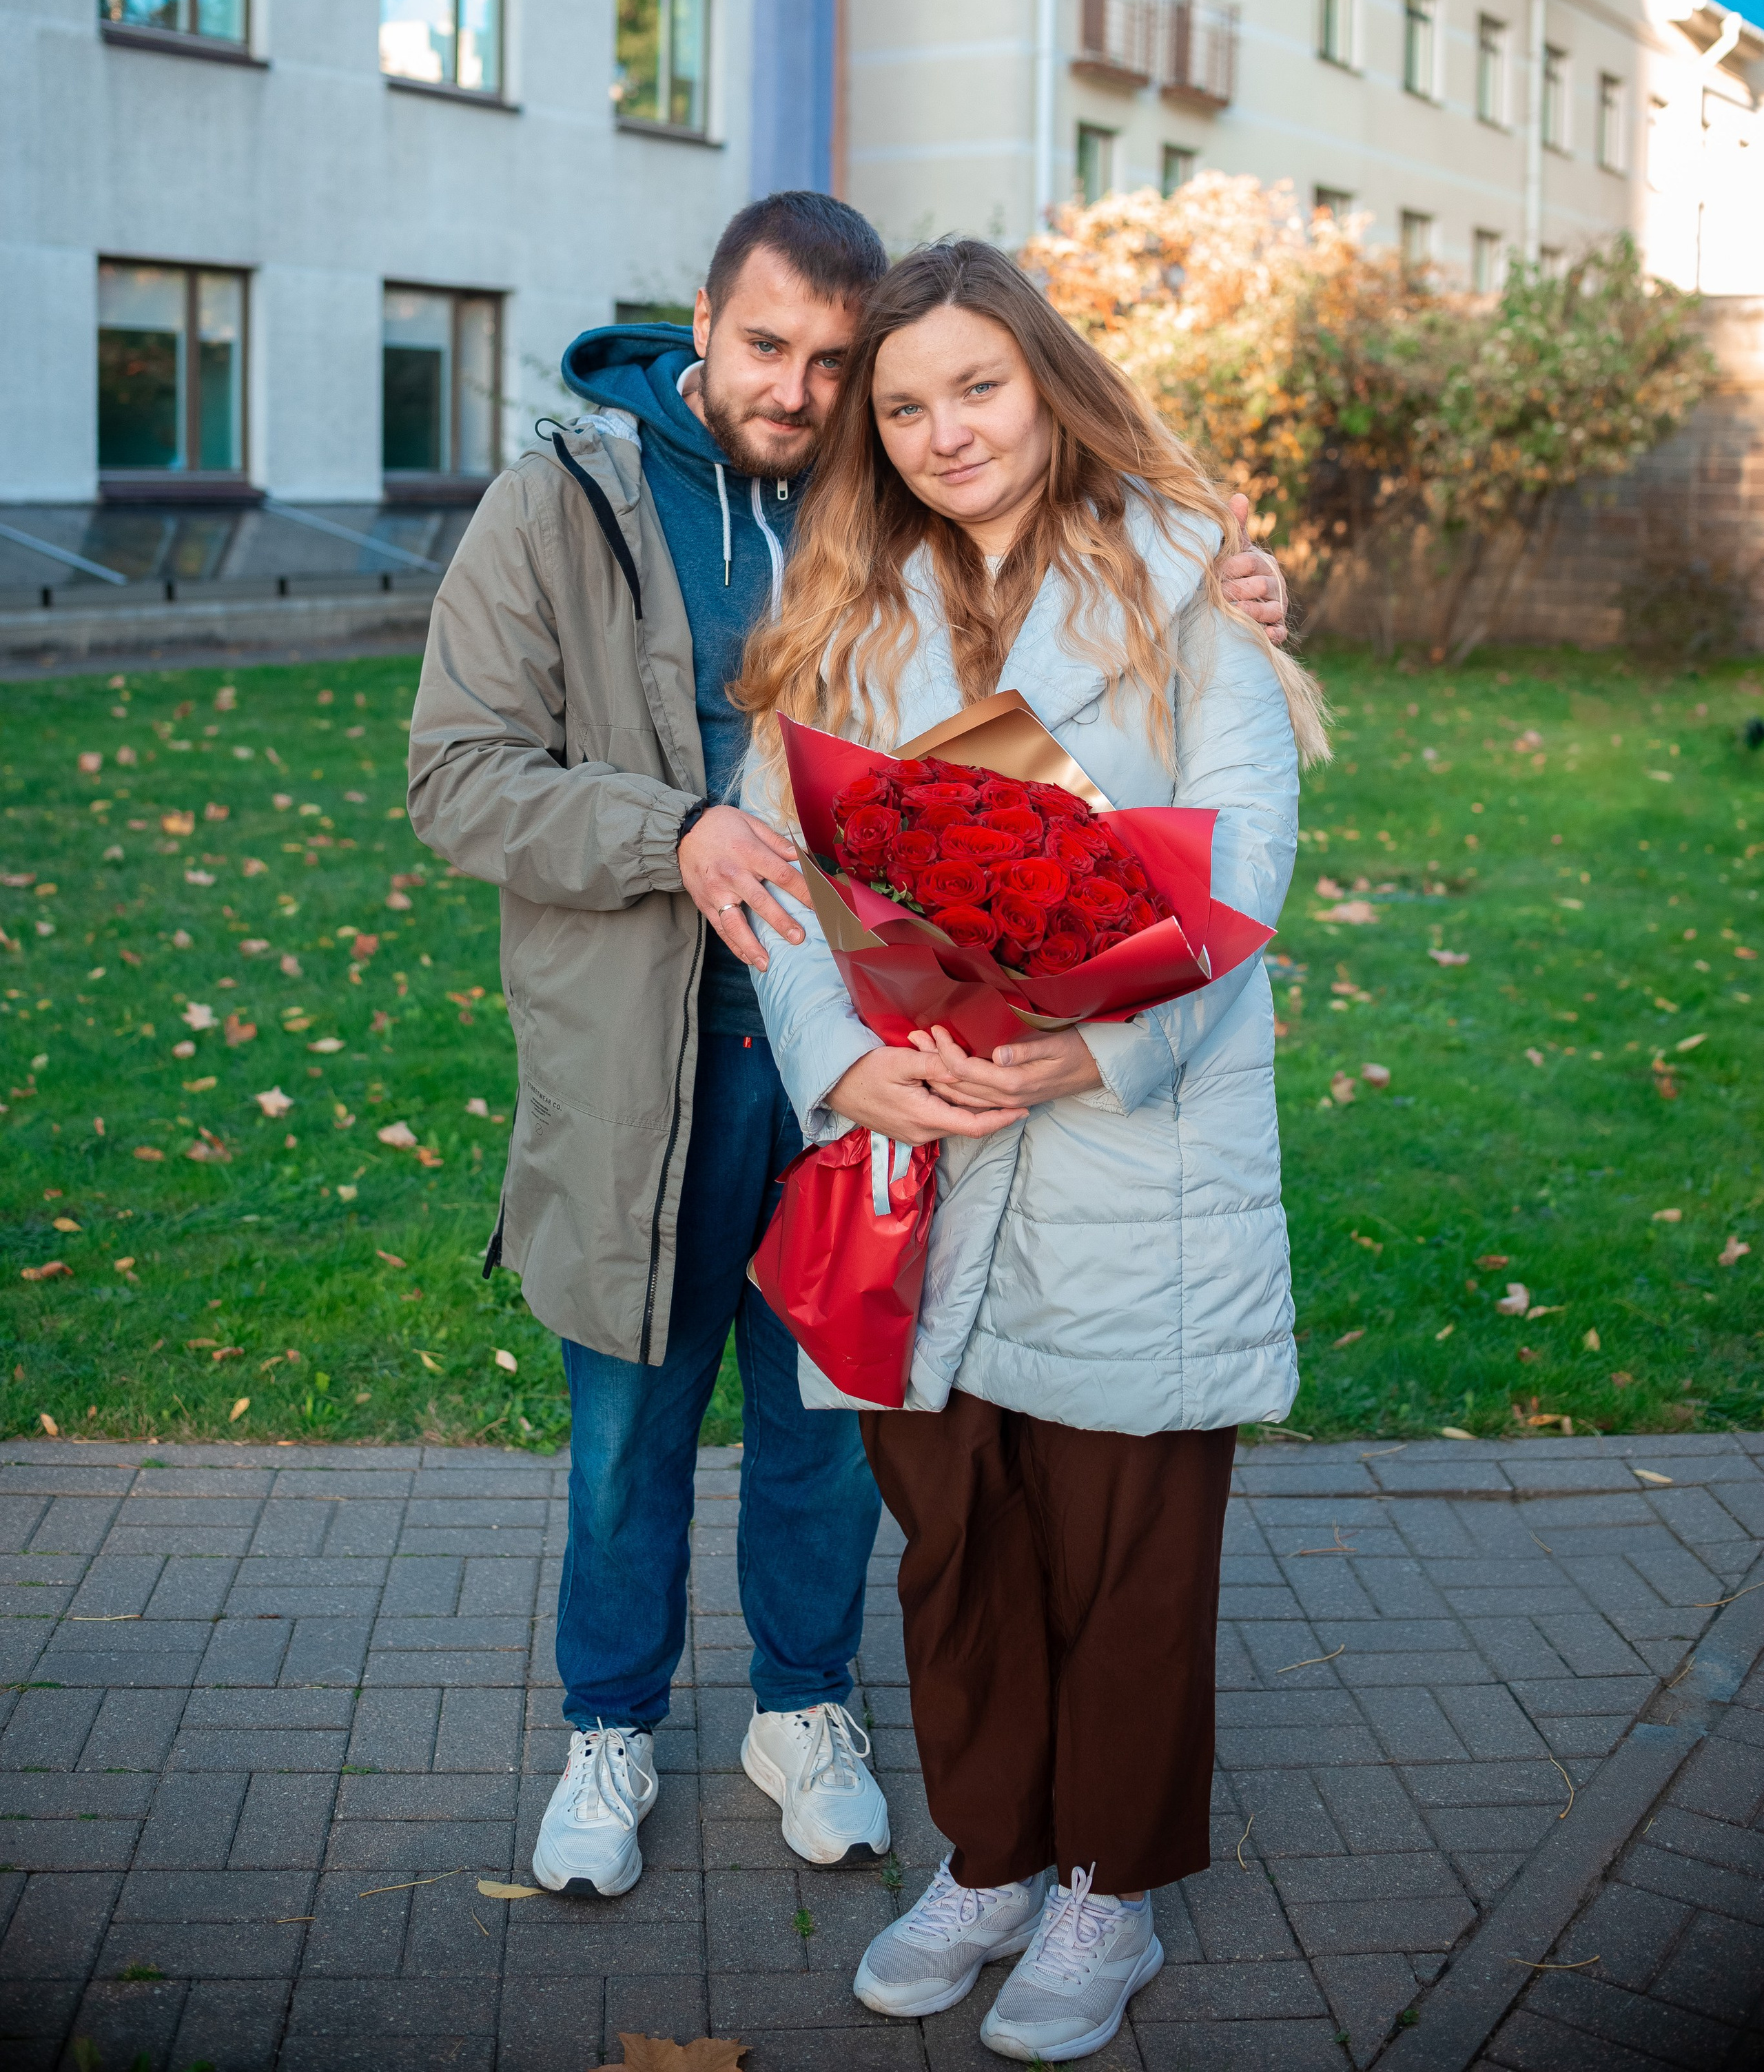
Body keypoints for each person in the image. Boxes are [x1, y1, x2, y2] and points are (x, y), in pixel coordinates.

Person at [407, 192, 1290, 1905]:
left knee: (832, 1424)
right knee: (628, 1423)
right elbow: (456, 775)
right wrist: (673, 831)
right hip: (651, 1063)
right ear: (698, 321)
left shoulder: (890, 487)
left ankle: (802, 1710)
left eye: (839, 363)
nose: (804, 390)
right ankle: (607, 1728)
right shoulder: (562, 504)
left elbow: (1107, 653)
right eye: (767, 348)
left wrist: (1228, 579)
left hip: (881, 1062)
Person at [734, 238, 1327, 2060]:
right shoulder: (841, 613)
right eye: (902, 405)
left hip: (1129, 1155)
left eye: (974, 387)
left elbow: (1242, 863)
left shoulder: (1189, 592)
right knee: (957, 1545)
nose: (941, 430)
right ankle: (990, 1853)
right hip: (917, 1156)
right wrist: (844, 1069)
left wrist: (1086, 1047)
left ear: (1045, 383)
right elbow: (778, 892)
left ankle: (1106, 1892)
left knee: (1127, 1549)